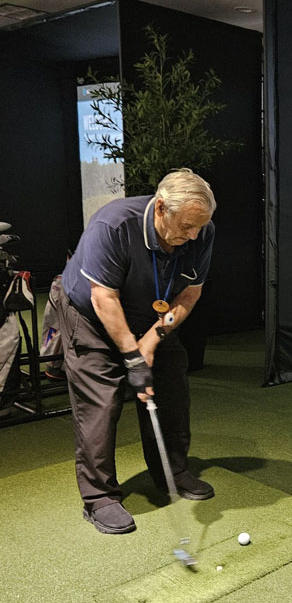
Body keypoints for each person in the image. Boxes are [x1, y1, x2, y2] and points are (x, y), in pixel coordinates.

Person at [57, 168, 216, 534]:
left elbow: (190, 294)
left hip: (151, 313)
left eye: (199, 228)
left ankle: (172, 471)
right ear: (161, 208)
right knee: (102, 401)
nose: (193, 236)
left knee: (171, 384)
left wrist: (149, 341)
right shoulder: (114, 225)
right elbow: (103, 297)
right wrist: (131, 355)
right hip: (91, 313)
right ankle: (99, 497)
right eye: (186, 227)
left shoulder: (201, 229)